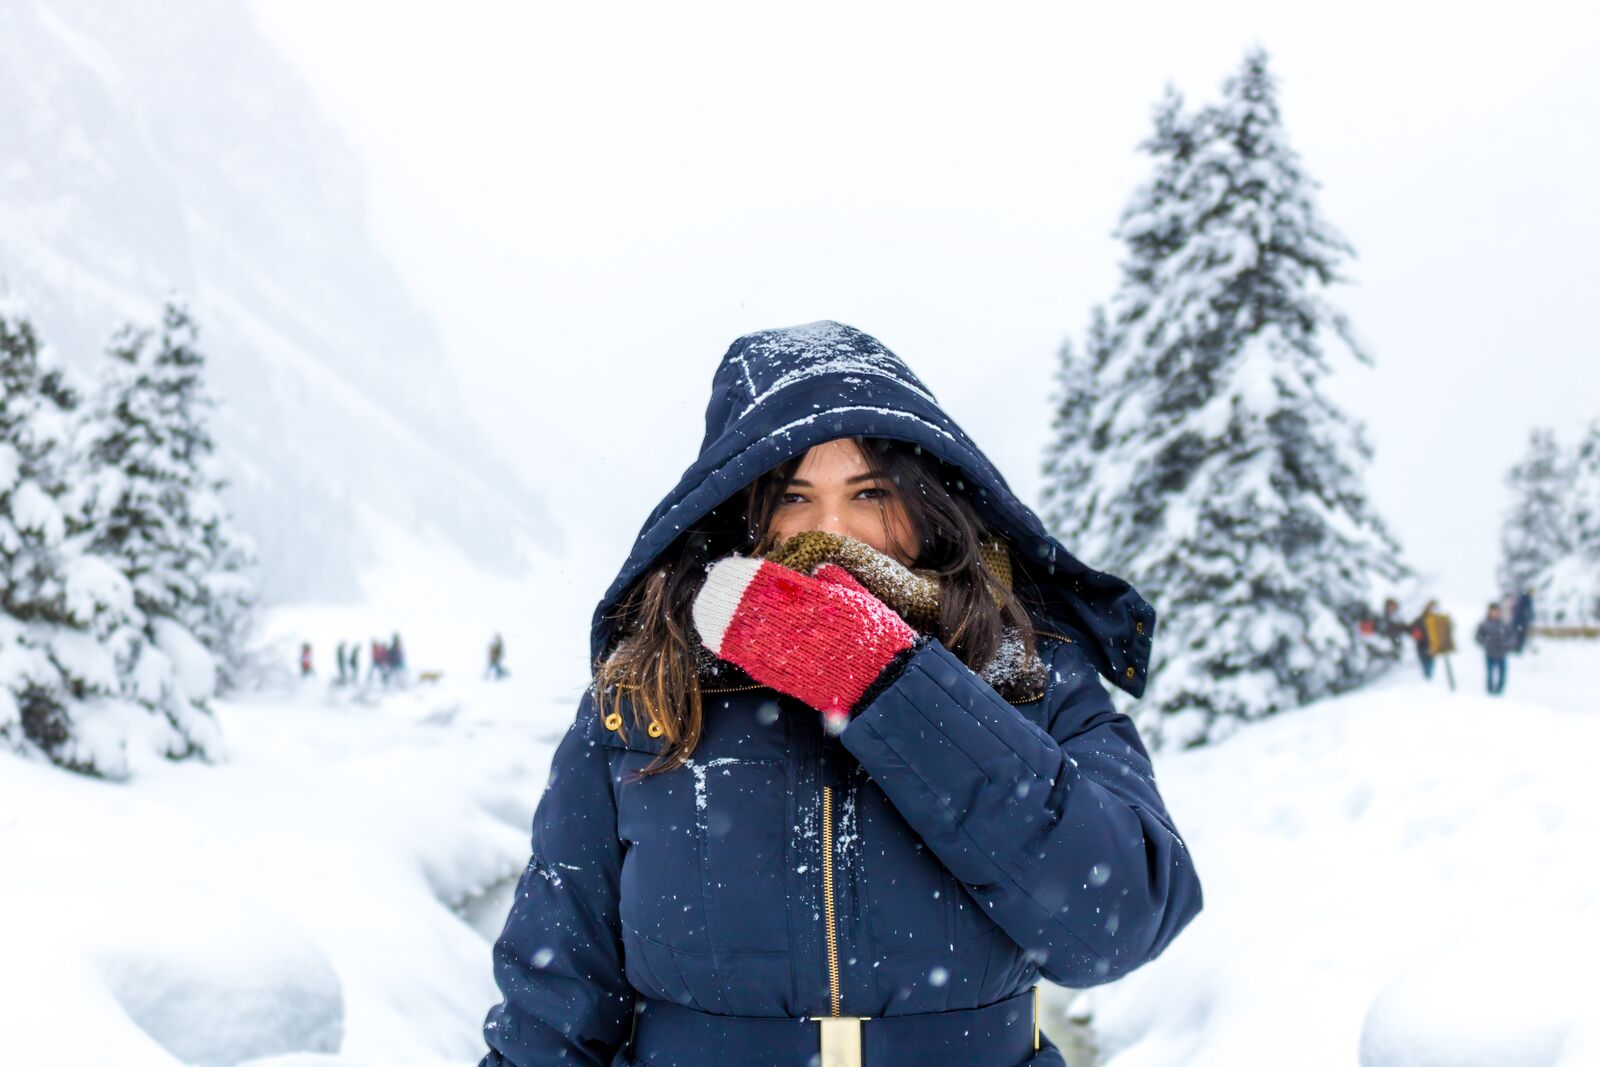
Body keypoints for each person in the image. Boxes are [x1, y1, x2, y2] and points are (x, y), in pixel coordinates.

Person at [478, 322, 1203, 1067]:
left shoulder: (1027, 667)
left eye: (870, 492)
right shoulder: (649, 689)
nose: (833, 529)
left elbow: (1121, 920)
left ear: (926, 504)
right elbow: (552, 1003)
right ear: (742, 513)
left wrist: (888, 682)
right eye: (794, 496)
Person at [1475, 602, 1515, 695]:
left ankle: (1499, 690)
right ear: (1490, 612)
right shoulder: (1484, 624)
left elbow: (1512, 636)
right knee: (1490, 672)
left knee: (1502, 672)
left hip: (1501, 652)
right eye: (1494, 611)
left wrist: (1508, 644)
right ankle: (1490, 690)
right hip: (1490, 652)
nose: (1496, 613)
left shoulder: (1504, 624)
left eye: (1497, 611)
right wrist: (1485, 643)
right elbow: (1478, 637)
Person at [1411, 600, 1441, 680]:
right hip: (1422, 645)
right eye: (1431, 607)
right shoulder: (1420, 620)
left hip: (1433, 645)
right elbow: (1414, 631)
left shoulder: (1437, 619)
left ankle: (1429, 679)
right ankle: (1427, 679)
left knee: (1431, 663)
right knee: (1426, 664)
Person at [1512, 588, 1535, 653]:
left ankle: (1518, 648)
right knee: (1520, 636)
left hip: (1520, 621)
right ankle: (1518, 649)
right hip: (1521, 621)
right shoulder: (1525, 599)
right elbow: (1525, 610)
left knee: (1520, 635)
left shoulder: (1524, 598)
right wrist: (1530, 616)